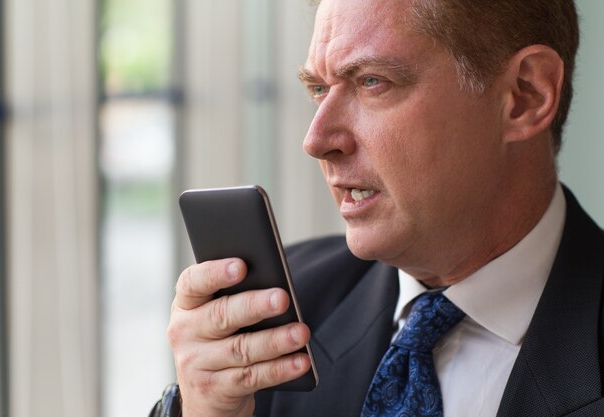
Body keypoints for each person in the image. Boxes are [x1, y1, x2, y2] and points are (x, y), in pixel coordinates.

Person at [150, 0, 604, 416]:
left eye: (372, 82)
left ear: (526, 95)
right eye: (318, 88)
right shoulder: (268, 320)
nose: (316, 141)